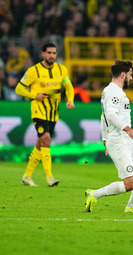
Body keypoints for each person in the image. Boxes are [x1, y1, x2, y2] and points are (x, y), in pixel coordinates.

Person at [84, 60, 133, 213]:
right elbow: (109, 114)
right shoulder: (113, 91)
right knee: (130, 183)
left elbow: (103, 116)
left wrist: (104, 139)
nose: (131, 78)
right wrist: (128, 129)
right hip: (120, 140)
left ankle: (131, 207)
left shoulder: (115, 91)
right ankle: (94, 194)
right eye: (130, 74)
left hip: (126, 140)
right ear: (123, 74)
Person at [15, 43, 75, 187]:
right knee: (46, 140)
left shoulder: (61, 69)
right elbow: (18, 89)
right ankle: (49, 178)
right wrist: (34, 95)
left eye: (54, 53)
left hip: (53, 113)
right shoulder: (33, 71)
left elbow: (68, 86)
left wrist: (70, 100)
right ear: (43, 54)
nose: (51, 56)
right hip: (38, 111)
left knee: (40, 144)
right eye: (49, 53)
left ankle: (27, 176)